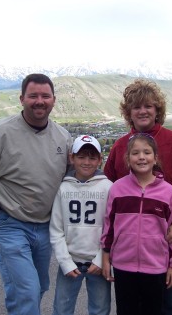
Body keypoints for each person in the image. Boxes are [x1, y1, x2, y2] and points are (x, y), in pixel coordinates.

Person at [0, 73, 72, 315]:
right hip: (8, 224)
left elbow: (69, 179)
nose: (39, 101)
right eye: (33, 96)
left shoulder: (63, 137)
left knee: (39, 286)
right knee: (26, 291)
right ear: (22, 98)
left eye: (45, 96)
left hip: (44, 226)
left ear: (54, 100)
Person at [103, 79, 172, 315]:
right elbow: (107, 191)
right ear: (129, 113)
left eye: (148, 106)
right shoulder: (119, 148)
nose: (143, 111)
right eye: (136, 107)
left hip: (164, 238)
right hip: (127, 250)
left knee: (169, 303)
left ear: (157, 109)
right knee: (130, 307)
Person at [101, 133, 172, 315]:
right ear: (128, 159)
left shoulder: (168, 193)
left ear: (155, 158)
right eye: (135, 153)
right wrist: (106, 257)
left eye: (147, 152)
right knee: (125, 310)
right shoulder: (118, 189)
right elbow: (109, 225)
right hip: (123, 265)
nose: (141, 157)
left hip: (156, 267)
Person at [50, 135, 112, 315]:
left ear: (100, 159)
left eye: (92, 157)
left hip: (98, 263)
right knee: (62, 309)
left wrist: (101, 259)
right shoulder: (63, 189)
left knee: (100, 309)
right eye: (81, 157)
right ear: (72, 158)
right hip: (70, 261)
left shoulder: (108, 187)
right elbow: (56, 229)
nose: (87, 162)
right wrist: (65, 262)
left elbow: (112, 228)